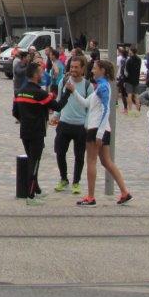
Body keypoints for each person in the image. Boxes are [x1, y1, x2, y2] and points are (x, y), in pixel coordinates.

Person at [76, 59, 132, 207]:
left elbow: (107, 109)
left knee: (91, 161)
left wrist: (99, 134)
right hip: (102, 128)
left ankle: (91, 197)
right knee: (106, 162)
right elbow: (86, 103)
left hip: (96, 128)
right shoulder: (101, 86)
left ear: (103, 71)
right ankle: (124, 192)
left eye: (95, 68)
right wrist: (73, 91)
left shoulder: (102, 87)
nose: (92, 71)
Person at [13, 62, 60, 205]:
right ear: (35, 75)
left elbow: (15, 112)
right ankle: (30, 196)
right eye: (41, 72)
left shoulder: (20, 91)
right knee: (34, 163)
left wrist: (26, 120)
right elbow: (58, 106)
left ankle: (37, 189)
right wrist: (68, 93)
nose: (42, 75)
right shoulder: (39, 93)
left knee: (31, 161)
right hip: (37, 132)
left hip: (25, 131)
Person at [52, 53, 89, 195]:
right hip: (64, 123)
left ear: (83, 68)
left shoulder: (88, 86)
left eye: (76, 67)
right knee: (60, 152)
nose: (73, 69)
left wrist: (87, 125)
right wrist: (56, 116)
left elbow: (90, 108)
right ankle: (63, 178)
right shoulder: (64, 81)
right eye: (72, 67)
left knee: (79, 156)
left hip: (80, 126)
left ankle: (76, 182)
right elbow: (59, 100)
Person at [123, 46, 142, 115]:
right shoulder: (139, 59)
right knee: (136, 95)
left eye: (129, 50)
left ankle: (130, 110)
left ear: (131, 51)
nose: (128, 52)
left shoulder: (129, 60)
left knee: (129, 95)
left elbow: (126, 72)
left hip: (129, 80)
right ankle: (137, 111)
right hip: (136, 80)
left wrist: (124, 80)